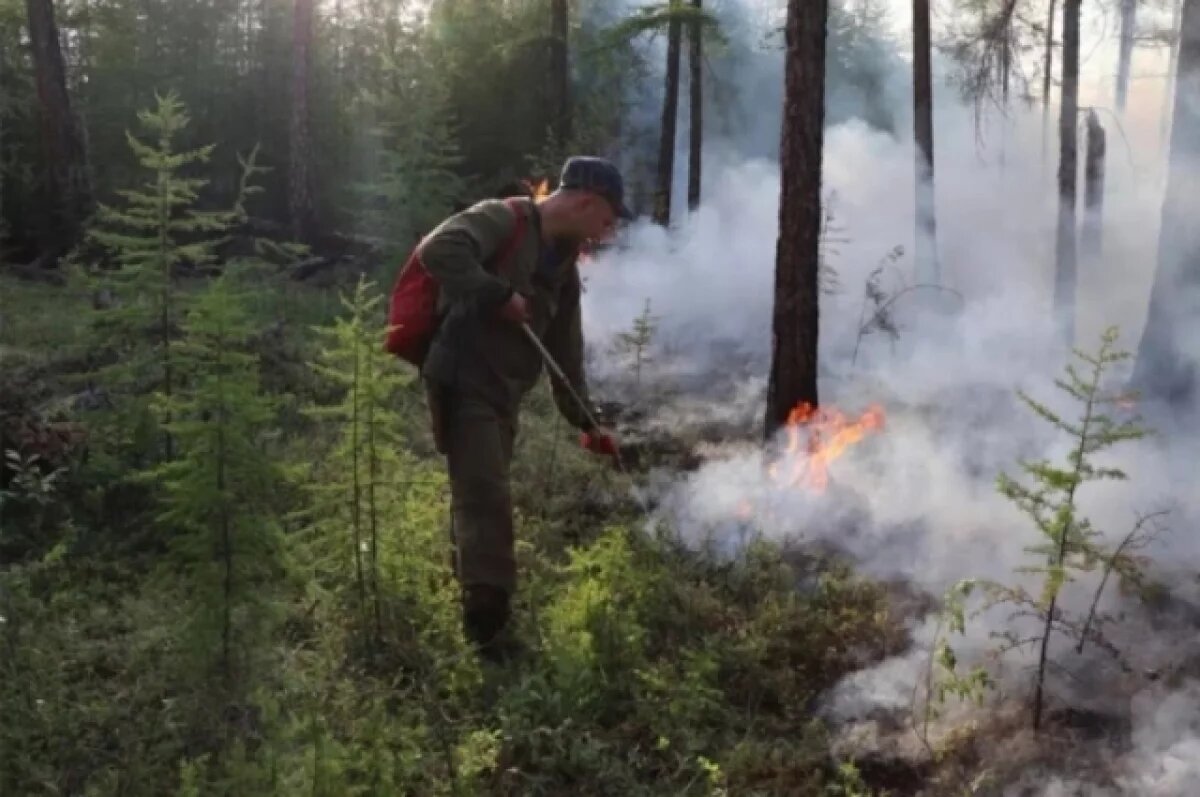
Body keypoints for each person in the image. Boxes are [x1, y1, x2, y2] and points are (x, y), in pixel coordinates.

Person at [417, 156, 634, 660]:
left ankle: (475, 600)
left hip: (503, 393)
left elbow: (567, 355)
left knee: (481, 494)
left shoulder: (564, 269)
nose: (607, 233)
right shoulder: (503, 218)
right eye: (606, 219)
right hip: (463, 378)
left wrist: (587, 420)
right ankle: (489, 635)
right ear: (583, 201)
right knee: (485, 495)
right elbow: (439, 251)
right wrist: (498, 295)